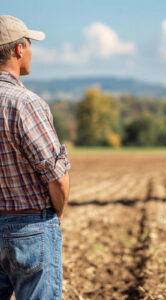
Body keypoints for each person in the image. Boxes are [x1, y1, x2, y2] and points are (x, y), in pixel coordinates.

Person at [0, 15, 70, 299]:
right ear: (18, 50)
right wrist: (57, 216)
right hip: (30, 227)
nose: (31, 51)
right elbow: (58, 178)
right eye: (29, 45)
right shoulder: (26, 103)